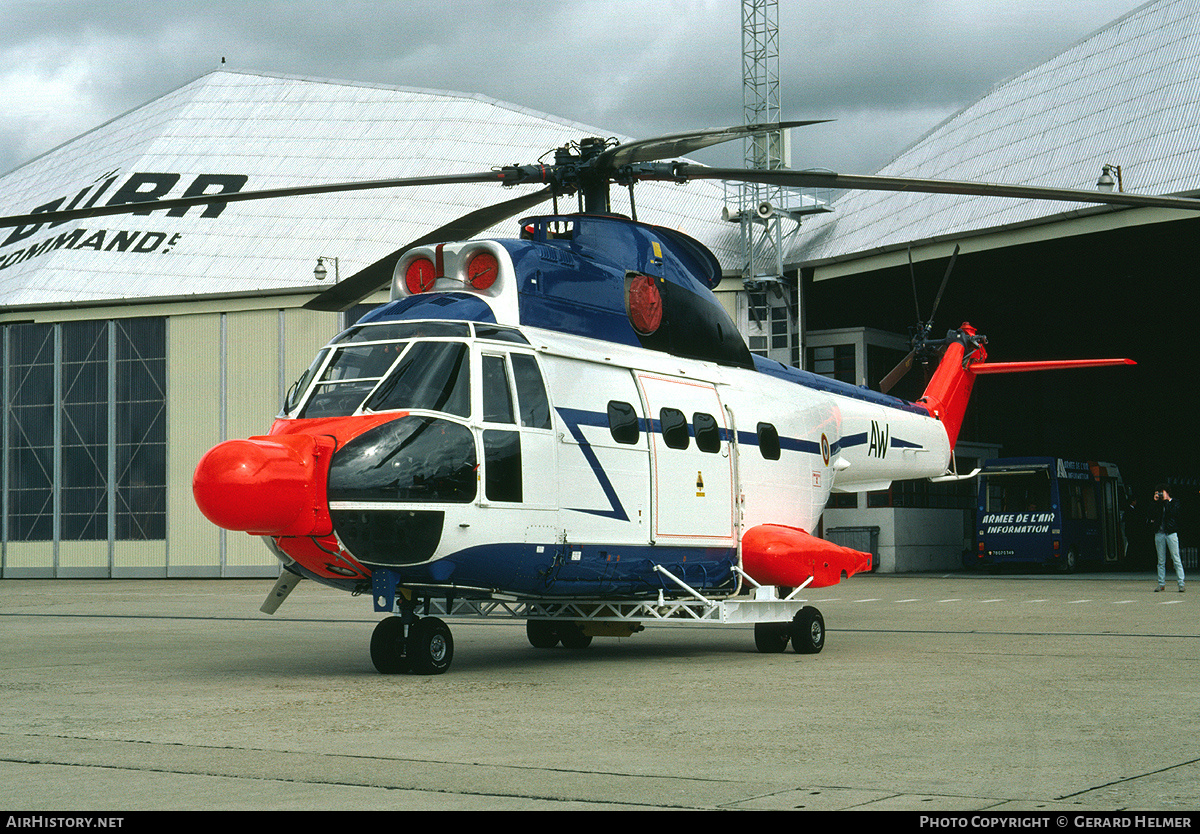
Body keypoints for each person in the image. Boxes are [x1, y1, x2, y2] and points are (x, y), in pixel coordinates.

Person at [1152, 485, 1185, 592]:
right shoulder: (1158, 504)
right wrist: (1156, 501)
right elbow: (1151, 514)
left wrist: (1166, 501)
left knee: (1176, 558)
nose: (1160, 495)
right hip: (1159, 533)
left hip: (1171, 533)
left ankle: (1181, 583)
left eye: (1162, 492)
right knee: (1161, 560)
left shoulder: (1174, 502)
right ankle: (1161, 583)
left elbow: (1174, 514)